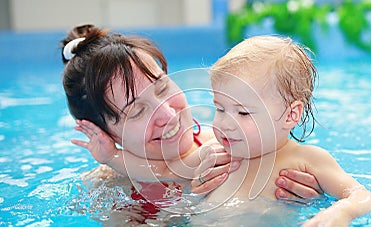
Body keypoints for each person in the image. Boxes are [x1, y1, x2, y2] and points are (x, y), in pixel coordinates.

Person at [61, 24, 322, 216]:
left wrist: (300, 189)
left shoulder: (225, 143)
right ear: (103, 133)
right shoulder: (109, 189)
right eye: (137, 111)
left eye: (162, 88)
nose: (167, 114)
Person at [199, 35, 371, 227]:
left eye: (243, 113)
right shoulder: (216, 153)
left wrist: (341, 212)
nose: (225, 124)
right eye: (220, 109)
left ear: (290, 115)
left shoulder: (305, 159)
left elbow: (362, 196)